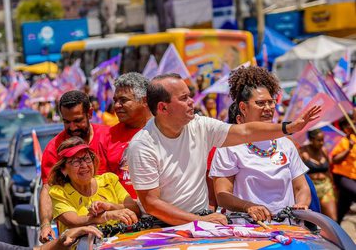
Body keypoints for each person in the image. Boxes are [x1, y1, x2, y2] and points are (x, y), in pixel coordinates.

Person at [127, 72, 320, 226]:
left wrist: (290, 128)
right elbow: (151, 204)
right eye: (184, 98)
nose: (192, 102)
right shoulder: (142, 145)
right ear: (162, 108)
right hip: (164, 228)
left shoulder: (199, 125)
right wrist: (198, 221)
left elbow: (244, 131)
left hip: (203, 223)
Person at [210, 66, 311, 223]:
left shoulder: (286, 144)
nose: (268, 108)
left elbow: (301, 187)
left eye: (271, 102)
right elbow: (222, 195)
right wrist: (249, 207)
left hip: (289, 230)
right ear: (243, 108)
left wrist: (301, 205)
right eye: (261, 103)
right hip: (248, 232)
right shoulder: (228, 146)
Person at [39, 90, 109, 243]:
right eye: (66, 122)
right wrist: (45, 224)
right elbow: (47, 188)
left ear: (89, 113)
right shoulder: (53, 148)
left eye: (77, 120)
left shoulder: (108, 137)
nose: (72, 127)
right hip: (76, 240)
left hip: (117, 230)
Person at [49, 137, 140, 234]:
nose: (84, 165)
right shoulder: (59, 192)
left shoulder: (109, 180)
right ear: (63, 169)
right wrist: (107, 216)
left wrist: (109, 206)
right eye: (75, 161)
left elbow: (135, 209)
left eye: (87, 158)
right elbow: (72, 221)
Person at [97, 72, 152, 198]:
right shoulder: (107, 136)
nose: (116, 106)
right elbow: (102, 183)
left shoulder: (166, 131)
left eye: (123, 100)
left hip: (165, 212)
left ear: (145, 101)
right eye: (115, 100)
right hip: (122, 213)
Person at [299, 129, 337, 221]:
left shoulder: (324, 151)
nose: (321, 143)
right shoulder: (303, 152)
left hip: (326, 187)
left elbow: (328, 170)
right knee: (314, 220)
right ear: (311, 140)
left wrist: (333, 183)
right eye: (319, 140)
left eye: (323, 140)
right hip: (311, 188)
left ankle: (331, 235)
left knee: (332, 218)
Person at [331, 118, 356, 223]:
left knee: (343, 206)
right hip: (342, 176)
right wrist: (349, 149)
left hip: (353, 177)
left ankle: (334, 230)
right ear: (346, 128)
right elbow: (335, 160)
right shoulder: (342, 140)